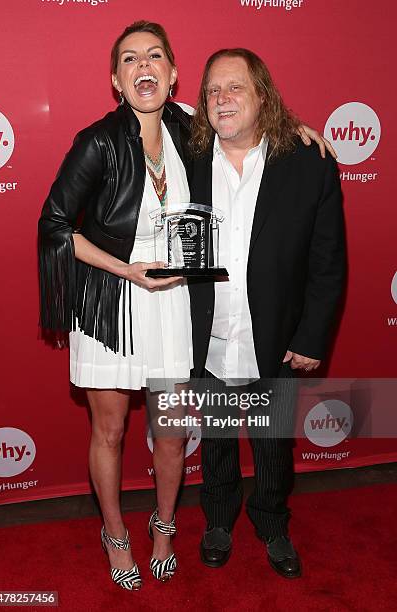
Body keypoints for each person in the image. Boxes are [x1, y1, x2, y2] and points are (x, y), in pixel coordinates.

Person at [38, 20, 335, 590]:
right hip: (109, 302)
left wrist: (297, 127)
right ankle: (114, 533)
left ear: (173, 76)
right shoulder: (96, 141)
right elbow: (53, 225)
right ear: (116, 79)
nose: (142, 66)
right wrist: (126, 269)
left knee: (171, 430)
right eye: (129, 60)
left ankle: (165, 525)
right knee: (109, 432)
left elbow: (248, 118)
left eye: (154, 57)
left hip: (174, 304)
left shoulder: (189, 130)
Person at [188, 48, 346, 578]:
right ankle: (217, 519)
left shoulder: (308, 163)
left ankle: (273, 524)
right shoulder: (185, 157)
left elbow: (327, 263)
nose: (221, 99)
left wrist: (311, 335)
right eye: (212, 90)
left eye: (235, 88)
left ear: (263, 97)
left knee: (274, 443)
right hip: (202, 336)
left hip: (273, 335)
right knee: (215, 440)